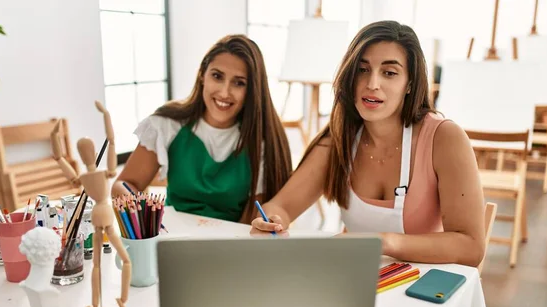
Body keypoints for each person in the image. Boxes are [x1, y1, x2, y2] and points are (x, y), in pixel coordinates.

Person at [251, 21, 485, 267]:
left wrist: (384, 243)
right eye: (362, 70)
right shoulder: (340, 138)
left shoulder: (445, 138)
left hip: (425, 290)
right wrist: (271, 220)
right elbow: (281, 206)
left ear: (410, 84)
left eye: (389, 73)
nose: (372, 83)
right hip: (357, 282)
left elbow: (470, 246)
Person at [113, 34, 292, 223]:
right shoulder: (166, 125)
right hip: (171, 240)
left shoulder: (260, 141)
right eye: (217, 76)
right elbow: (123, 184)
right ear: (202, 76)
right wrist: (135, 206)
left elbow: (250, 223)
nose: (224, 92)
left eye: (239, 82)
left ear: (252, 90)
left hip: (229, 244)